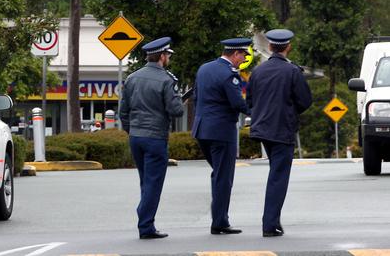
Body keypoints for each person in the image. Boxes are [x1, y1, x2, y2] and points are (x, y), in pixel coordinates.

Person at [246, 29, 312, 237]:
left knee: (275, 173)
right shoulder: (292, 71)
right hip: (282, 129)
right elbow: (305, 101)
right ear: (288, 46)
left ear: (270, 47)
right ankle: (270, 224)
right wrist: (290, 111)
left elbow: (250, 101)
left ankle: (273, 221)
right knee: (278, 177)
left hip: (262, 129)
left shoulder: (258, 71)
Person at [120, 36, 184, 239]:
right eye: (168, 55)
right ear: (162, 57)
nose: (168, 59)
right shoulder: (166, 80)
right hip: (155, 137)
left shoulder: (132, 78)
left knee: (145, 182)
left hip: (136, 137)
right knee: (154, 183)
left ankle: (145, 218)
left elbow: (123, 111)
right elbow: (176, 111)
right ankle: (146, 225)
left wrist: (132, 130)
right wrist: (179, 99)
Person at [192, 38, 252, 235]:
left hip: (202, 130)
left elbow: (196, 98)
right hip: (221, 131)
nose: (242, 61)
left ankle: (219, 218)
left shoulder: (204, 69)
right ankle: (220, 222)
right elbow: (237, 103)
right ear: (235, 54)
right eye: (242, 57)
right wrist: (259, 113)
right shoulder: (228, 74)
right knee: (223, 177)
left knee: (218, 174)